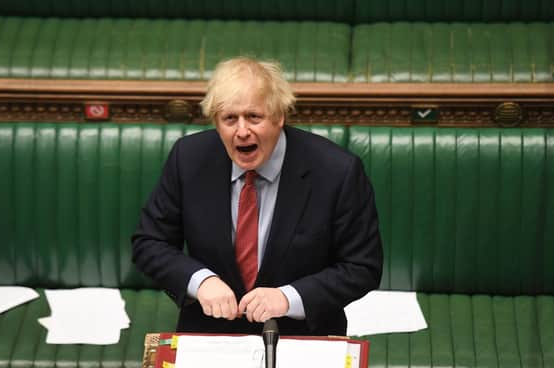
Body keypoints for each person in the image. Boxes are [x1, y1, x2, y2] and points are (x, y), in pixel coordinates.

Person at [131, 57, 382, 336]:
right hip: (212, 334)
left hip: (302, 335)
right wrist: (200, 281)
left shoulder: (337, 171)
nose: (241, 131)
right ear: (216, 122)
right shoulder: (188, 158)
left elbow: (362, 267)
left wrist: (288, 298)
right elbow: (150, 242)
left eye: (253, 117)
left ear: (279, 116)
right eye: (229, 119)